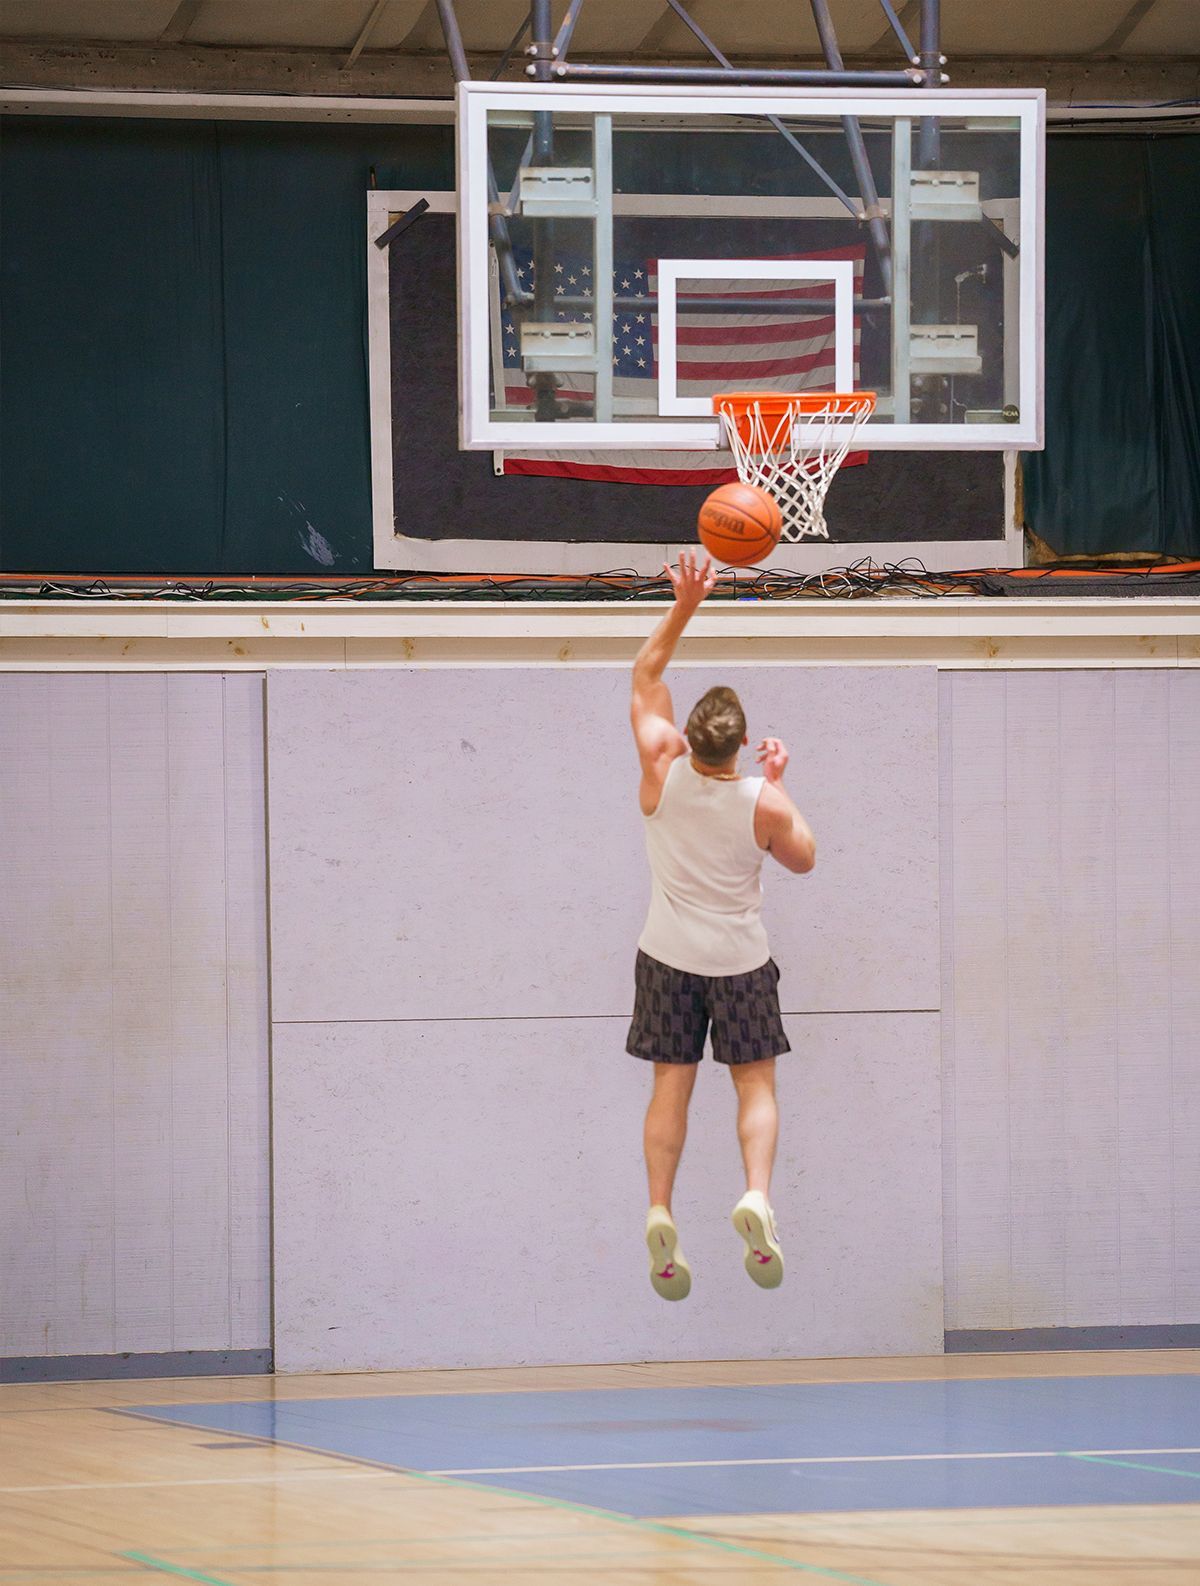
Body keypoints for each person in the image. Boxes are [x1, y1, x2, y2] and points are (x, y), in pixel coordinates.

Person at [627, 550, 816, 1301]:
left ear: (687, 738)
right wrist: (779, 787)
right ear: (739, 746)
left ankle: (659, 1208)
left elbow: (645, 678)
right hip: (739, 962)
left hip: (665, 959)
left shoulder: (658, 769)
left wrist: (686, 604)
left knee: (670, 1089)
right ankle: (756, 1195)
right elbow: (804, 859)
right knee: (755, 1087)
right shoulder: (760, 802)